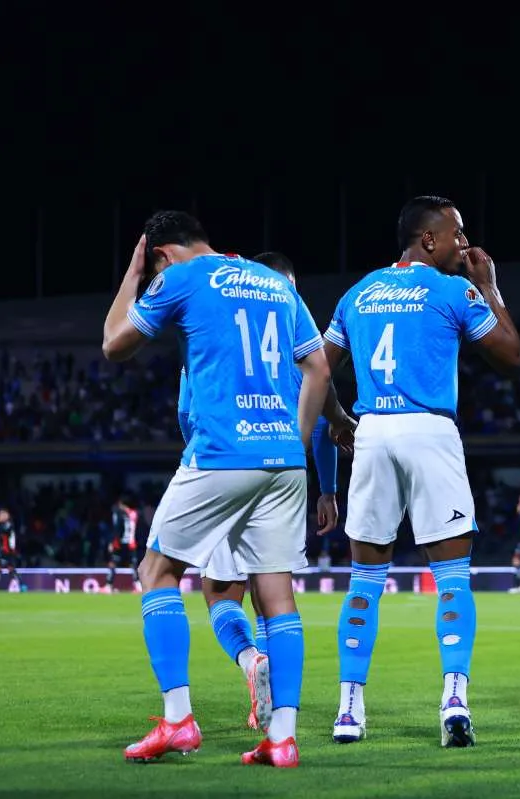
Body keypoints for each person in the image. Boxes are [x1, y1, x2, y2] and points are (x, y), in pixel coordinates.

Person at [103, 211, 330, 768]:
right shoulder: (274, 281)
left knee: (157, 570)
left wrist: (133, 278)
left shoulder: (179, 276)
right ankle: (283, 737)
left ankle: (179, 720)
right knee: (277, 597)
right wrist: (293, 447)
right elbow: (319, 368)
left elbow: (114, 344)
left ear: (162, 253)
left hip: (223, 451)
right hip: (283, 459)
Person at [322, 195, 520, 747]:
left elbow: (315, 366)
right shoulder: (454, 290)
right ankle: (454, 700)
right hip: (430, 431)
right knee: (452, 578)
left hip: (374, 432)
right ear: (428, 239)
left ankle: (349, 710)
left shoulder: (357, 292)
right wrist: (490, 287)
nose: (465, 243)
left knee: (365, 579)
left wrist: (338, 419)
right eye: (457, 234)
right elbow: (510, 355)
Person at [180, 251, 356, 732]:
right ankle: (280, 714)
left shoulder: (219, 327)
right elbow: (322, 417)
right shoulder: (300, 339)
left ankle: (247, 658)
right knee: (273, 591)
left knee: (219, 593)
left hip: (224, 465)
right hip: (285, 473)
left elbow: (186, 409)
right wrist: (326, 488)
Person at [106, 496, 141, 592]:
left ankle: (109, 585)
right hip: (133, 544)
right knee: (133, 564)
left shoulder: (119, 514)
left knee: (113, 562)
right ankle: (138, 586)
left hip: (121, 543)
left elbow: (117, 528)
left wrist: (112, 542)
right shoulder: (135, 513)